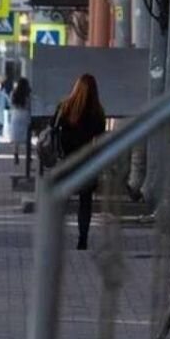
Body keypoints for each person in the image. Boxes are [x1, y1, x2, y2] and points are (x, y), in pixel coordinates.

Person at [55, 74, 106, 250]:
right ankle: (82, 239)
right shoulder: (97, 112)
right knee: (85, 202)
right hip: (87, 162)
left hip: (66, 161)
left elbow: (53, 129)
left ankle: (55, 237)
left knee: (62, 199)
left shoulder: (64, 106)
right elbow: (99, 140)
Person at [9, 77, 31, 165]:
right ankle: (28, 156)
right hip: (25, 114)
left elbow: (11, 104)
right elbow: (29, 105)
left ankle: (16, 155)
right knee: (27, 135)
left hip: (16, 114)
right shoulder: (28, 94)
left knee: (16, 137)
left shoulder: (13, 93)